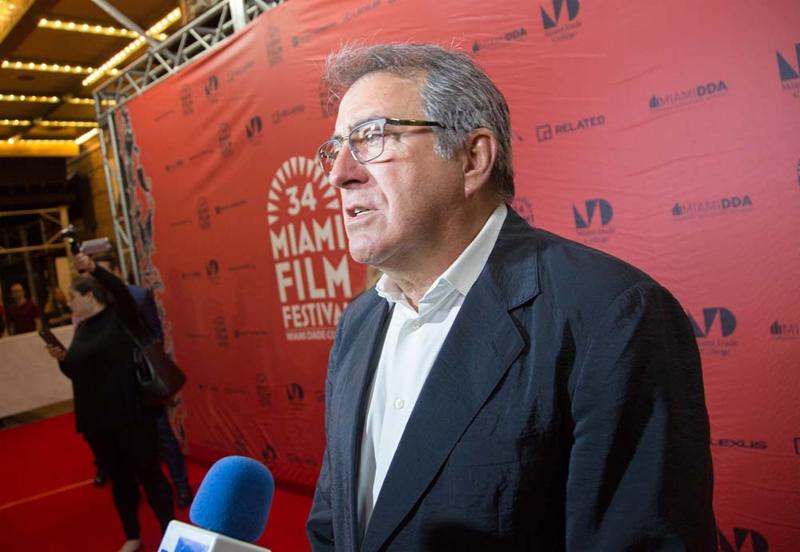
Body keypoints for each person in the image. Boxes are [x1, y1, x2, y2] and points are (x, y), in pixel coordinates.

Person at [306, 44, 716, 551]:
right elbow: (334, 524)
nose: (339, 173)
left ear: (472, 158)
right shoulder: (358, 325)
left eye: (371, 138)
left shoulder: (612, 315)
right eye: (335, 148)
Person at [46, 253, 174, 552]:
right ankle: (133, 536)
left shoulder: (121, 315)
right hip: (98, 421)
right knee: (120, 480)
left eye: (73, 297)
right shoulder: (82, 329)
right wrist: (63, 360)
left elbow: (119, 290)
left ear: (90, 296)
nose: (69, 303)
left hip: (132, 417)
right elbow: (77, 372)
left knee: (150, 474)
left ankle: (171, 531)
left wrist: (94, 269)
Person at [95, 255, 193, 508]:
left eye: (104, 271)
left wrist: (141, 362)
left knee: (163, 435)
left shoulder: (139, 296)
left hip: (145, 382)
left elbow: (156, 334)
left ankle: (181, 484)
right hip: (119, 387)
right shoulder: (99, 305)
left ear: (117, 270)